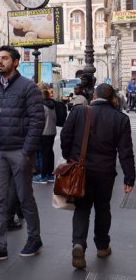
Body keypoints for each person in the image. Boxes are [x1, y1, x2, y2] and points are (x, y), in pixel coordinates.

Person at [0, 45, 44, 263]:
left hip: (19, 151)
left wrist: (27, 151)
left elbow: (37, 121)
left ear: (15, 62)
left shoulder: (28, 87)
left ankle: (34, 238)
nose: (0, 62)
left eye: (5, 58)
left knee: (25, 198)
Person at [60, 83, 135, 269]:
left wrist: (69, 156)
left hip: (81, 170)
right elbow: (126, 151)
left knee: (82, 208)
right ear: (112, 99)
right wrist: (129, 177)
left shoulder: (78, 112)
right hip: (105, 172)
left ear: (94, 96)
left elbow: (65, 136)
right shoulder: (120, 119)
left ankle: (78, 243)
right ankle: (102, 246)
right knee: (102, 208)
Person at [33, 89, 57, 184]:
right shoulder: (52, 105)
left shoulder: (41, 106)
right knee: (49, 153)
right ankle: (50, 175)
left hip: (43, 133)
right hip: (52, 132)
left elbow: (38, 121)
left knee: (43, 155)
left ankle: (43, 176)